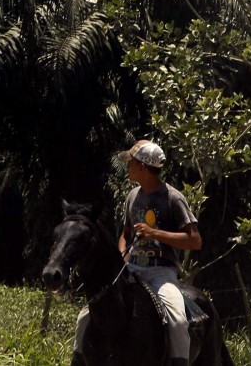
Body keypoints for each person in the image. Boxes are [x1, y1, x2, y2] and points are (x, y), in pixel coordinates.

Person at [71, 140, 202, 366]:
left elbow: (195, 240)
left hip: (161, 273)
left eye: (131, 162)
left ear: (142, 166)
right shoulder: (132, 196)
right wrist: (123, 253)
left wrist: (155, 233)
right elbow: (126, 233)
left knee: (178, 320)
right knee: (86, 315)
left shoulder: (173, 198)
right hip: (131, 270)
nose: (128, 167)